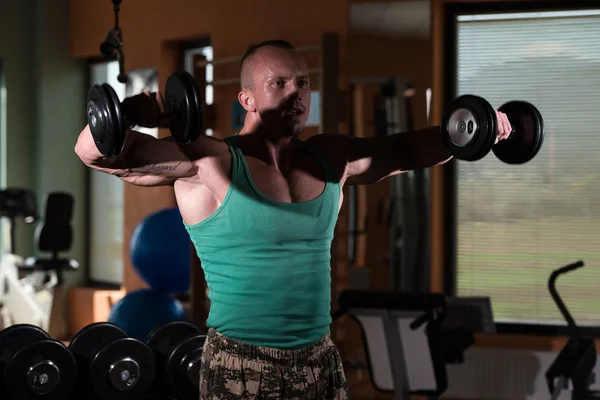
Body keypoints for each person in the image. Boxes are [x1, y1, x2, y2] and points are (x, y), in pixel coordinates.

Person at [75, 40, 512, 399]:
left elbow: (405, 151)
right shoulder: (208, 162)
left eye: (302, 82)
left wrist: (479, 129)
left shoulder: (331, 157)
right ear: (245, 98)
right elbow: (94, 153)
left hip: (319, 362)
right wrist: (130, 113)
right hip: (240, 366)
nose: (296, 92)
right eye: (279, 83)